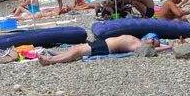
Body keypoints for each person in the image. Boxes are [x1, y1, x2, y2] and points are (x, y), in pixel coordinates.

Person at [39, 33, 171, 66]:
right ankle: (59, 54)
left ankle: (50, 61)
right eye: (152, 39)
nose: (151, 40)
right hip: (104, 43)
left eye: (153, 42)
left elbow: (155, 50)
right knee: (77, 48)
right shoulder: (138, 40)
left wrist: (168, 46)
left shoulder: (140, 46)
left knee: (77, 53)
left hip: (106, 48)